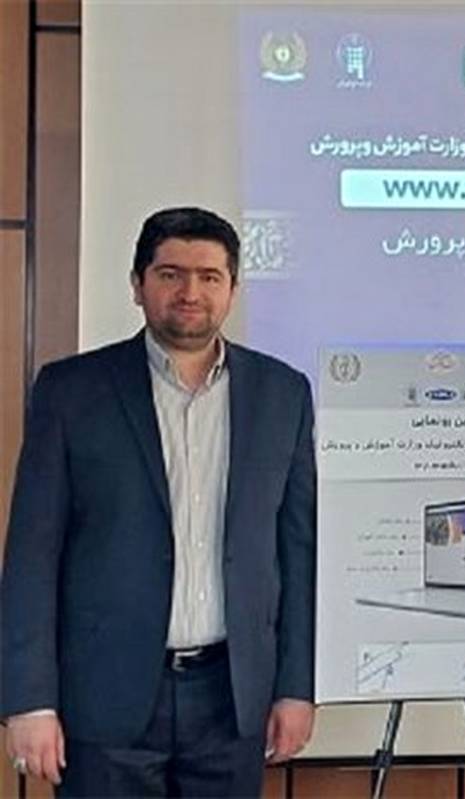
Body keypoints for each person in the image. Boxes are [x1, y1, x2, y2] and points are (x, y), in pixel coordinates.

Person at [0, 207, 316, 796]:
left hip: (232, 698)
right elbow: (31, 556)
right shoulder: (71, 392)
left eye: (209, 276)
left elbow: (297, 554)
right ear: (137, 284)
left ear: (232, 289)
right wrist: (30, 700)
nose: (190, 292)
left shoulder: (283, 394)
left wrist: (297, 687)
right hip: (102, 696)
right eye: (171, 274)